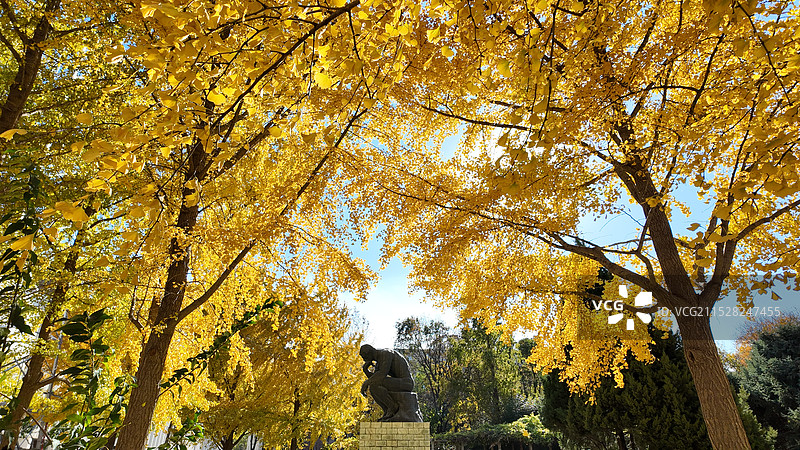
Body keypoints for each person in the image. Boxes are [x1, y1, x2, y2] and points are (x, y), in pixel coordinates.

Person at [359, 344, 415, 421]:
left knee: (373, 385)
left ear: (369, 353)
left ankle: (393, 407)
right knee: (373, 388)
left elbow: (381, 375)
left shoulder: (385, 353)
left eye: (364, 357)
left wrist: (366, 383)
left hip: (406, 383)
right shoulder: (379, 361)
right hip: (397, 382)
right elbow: (376, 378)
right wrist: (366, 371)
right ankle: (388, 410)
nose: (364, 360)